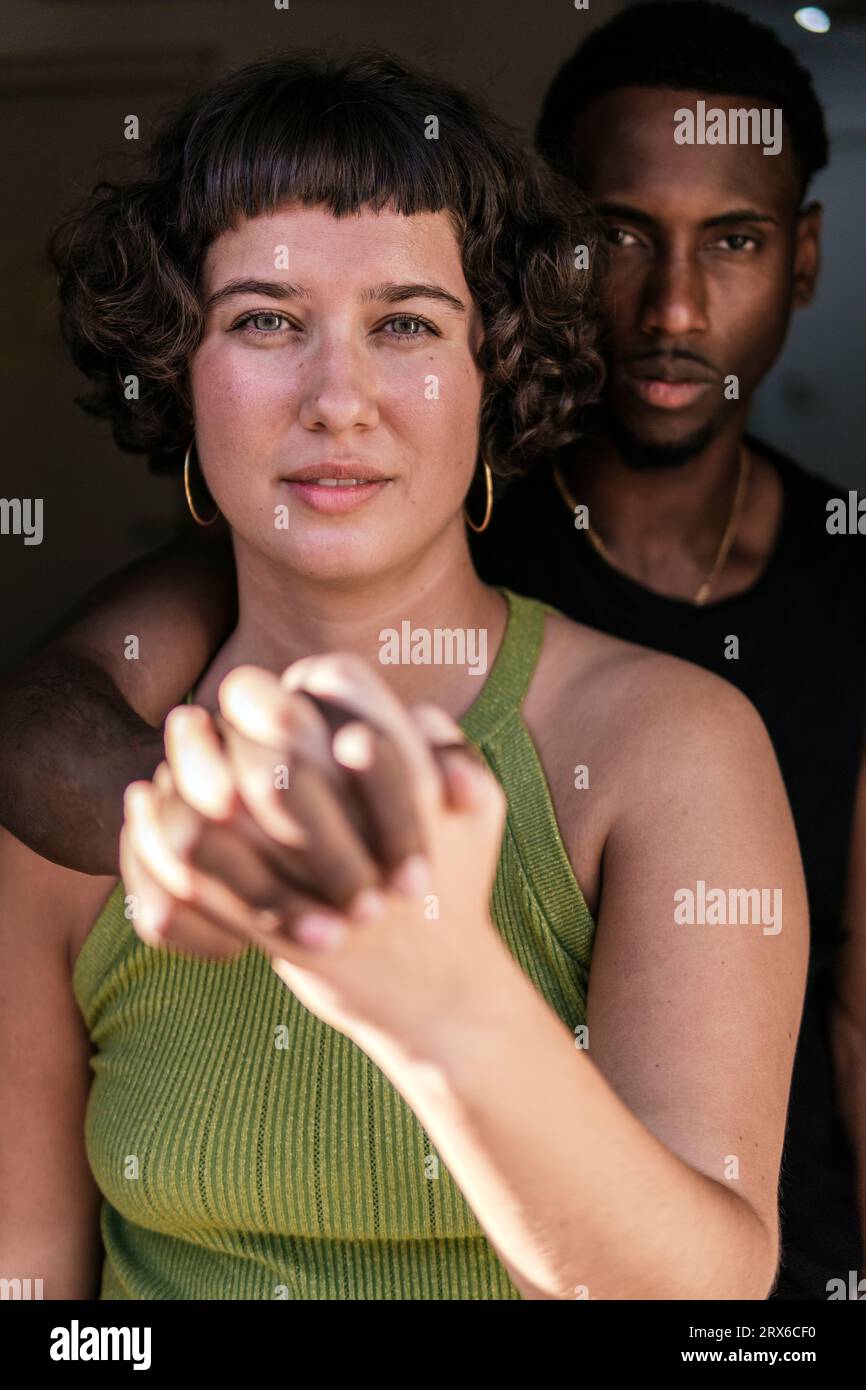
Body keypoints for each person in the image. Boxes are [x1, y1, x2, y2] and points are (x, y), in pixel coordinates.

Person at [0, 48, 807, 1302]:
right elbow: (29, 1277)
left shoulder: (673, 744)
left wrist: (444, 1001)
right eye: (265, 320)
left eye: (406, 325)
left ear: (494, 373)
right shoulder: (69, 787)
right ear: (176, 367)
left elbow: (700, 1299)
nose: (338, 397)